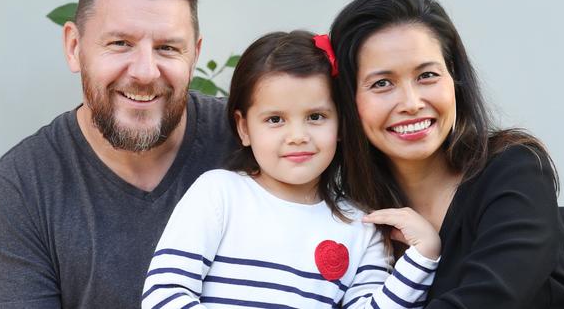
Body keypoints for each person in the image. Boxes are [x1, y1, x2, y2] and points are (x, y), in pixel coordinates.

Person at [0, 0, 236, 308]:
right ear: (74, 47)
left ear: (194, 55)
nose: (145, 72)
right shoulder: (23, 187)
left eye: (168, 48)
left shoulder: (248, 144)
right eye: (120, 43)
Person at [141, 30, 442, 309]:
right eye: (275, 119)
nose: (297, 135)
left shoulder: (361, 228)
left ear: (340, 124)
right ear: (244, 128)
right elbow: (165, 294)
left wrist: (424, 256)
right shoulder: (219, 194)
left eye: (315, 116)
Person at [329, 0, 564, 308]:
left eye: (427, 75)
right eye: (382, 83)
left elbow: (491, 298)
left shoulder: (517, 170)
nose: (411, 102)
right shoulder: (349, 212)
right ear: (348, 102)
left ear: (455, 81)